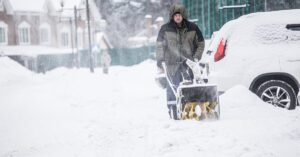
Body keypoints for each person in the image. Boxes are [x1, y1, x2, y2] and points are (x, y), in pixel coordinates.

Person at [156, 4, 205, 119]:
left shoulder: (192, 27)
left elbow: (201, 44)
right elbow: (159, 46)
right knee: (172, 88)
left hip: (188, 64)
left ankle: (191, 110)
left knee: (190, 87)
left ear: (183, 16)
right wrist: (160, 60)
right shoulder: (165, 29)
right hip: (171, 65)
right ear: (172, 16)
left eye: (180, 15)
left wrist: (196, 57)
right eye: (175, 15)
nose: (178, 17)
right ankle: (173, 112)